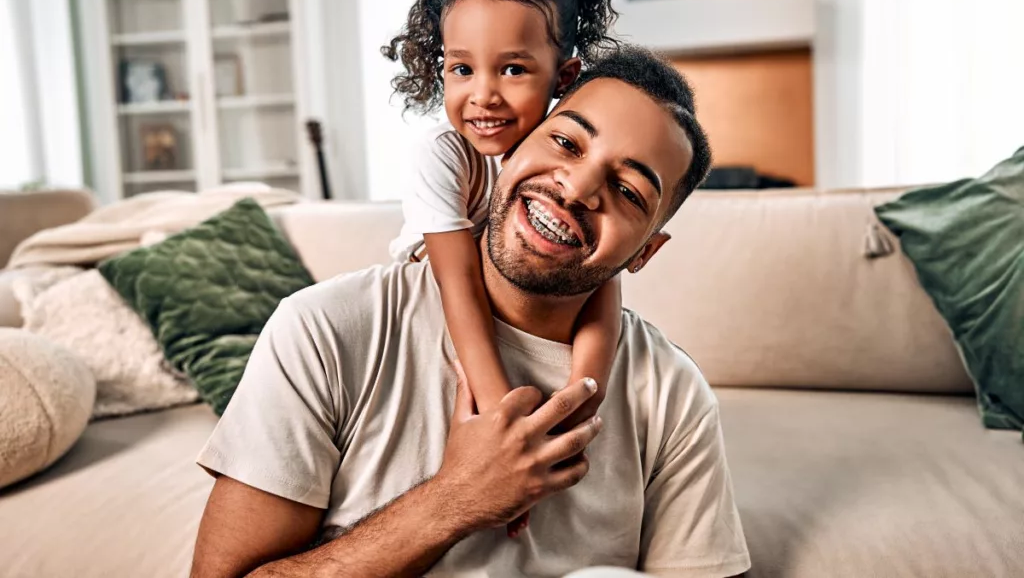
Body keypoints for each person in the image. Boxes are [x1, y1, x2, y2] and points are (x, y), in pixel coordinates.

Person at [191, 46, 751, 578]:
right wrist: (455, 500)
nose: (577, 188)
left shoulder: (672, 392)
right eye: (566, 143)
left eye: (629, 191)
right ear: (509, 143)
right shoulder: (327, 329)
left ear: (645, 252)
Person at [381, 0, 624, 487]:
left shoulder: (567, 163)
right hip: (439, 315)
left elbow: (601, 277)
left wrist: (582, 397)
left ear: (564, 76)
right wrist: (502, 425)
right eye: (461, 69)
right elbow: (458, 282)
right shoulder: (444, 155)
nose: (483, 95)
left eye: (512, 69)